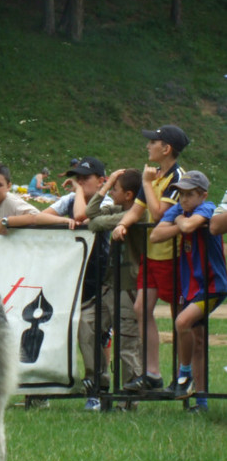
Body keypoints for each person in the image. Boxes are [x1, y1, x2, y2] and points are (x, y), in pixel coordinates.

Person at [112, 125, 189, 394]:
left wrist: (145, 182)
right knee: (141, 309)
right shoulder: (155, 176)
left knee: (179, 316)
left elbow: (159, 215)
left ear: (166, 149)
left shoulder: (178, 178)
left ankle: (184, 374)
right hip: (152, 256)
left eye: (152, 142)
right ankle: (152, 373)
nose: (148, 146)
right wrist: (123, 224)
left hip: (172, 256)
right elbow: (138, 210)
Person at [35, 156, 112, 410]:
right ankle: (46, 387)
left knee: (90, 334)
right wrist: (62, 220)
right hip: (68, 279)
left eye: (85, 178)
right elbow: (40, 217)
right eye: (77, 178)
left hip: (99, 280)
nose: (79, 182)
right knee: (54, 330)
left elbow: (83, 217)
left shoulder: (107, 202)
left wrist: (78, 193)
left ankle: (97, 389)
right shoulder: (68, 200)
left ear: (102, 181)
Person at [150, 171, 227, 413]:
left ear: (203, 195)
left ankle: (184, 375)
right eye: (181, 194)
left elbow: (192, 223)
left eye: (190, 194)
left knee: (181, 322)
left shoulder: (208, 208)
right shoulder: (179, 211)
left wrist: (182, 223)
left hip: (213, 285)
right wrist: (180, 225)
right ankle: (201, 402)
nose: (183, 199)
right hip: (191, 286)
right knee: (199, 341)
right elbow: (155, 235)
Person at [87, 168, 144, 410]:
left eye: (115, 189)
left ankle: (129, 396)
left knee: (127, 341)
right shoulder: (119, 208)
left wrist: (104, 188)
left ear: (129, 194)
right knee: (92, 329)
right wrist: (107, 183)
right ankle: (99, 387)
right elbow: (90, 213)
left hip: (128, 285)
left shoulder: (135, 213)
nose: (111, 192)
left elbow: (95, 223)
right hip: (111, 282)